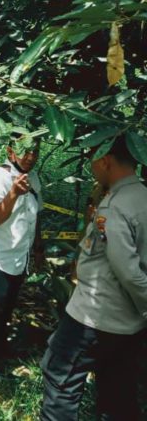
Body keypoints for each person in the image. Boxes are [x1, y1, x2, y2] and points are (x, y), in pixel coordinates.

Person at [40, 136, 147, 420]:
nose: (92, 168)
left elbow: (129, 271)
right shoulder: (141, 197)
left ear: (105, 159)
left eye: (93, 160)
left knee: (59, 377)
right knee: (118, 390)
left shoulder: (116, 206)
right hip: (128, 323)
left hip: (95, 316)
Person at [0, 136, 43, 371]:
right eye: (25, 151)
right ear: (10, 151)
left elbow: (36, 215)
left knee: (5, 310)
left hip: (18, 257)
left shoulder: (33, 178)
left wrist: (38, 250)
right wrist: (13, 193)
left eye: (35, 151)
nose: (30, 157)